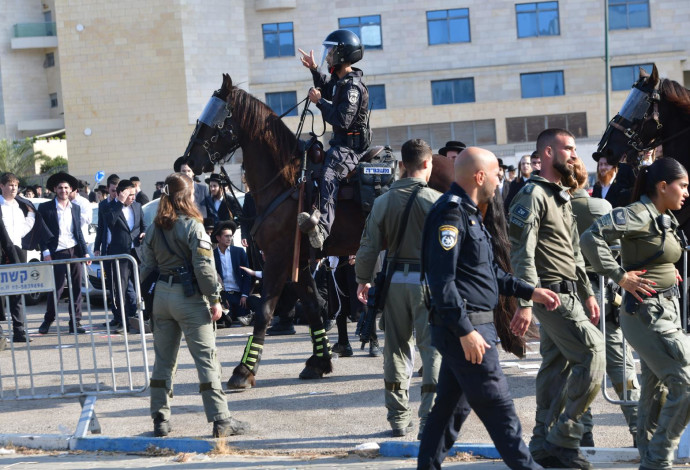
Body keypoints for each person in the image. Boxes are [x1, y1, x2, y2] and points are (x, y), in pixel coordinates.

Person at [418, 146, 560, 470]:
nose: (500, 180)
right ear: (479, 176)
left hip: (471, 326)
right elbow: (442, 280)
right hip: (468, 328)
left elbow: (486, 271)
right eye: (496, 173)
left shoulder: (469, 211)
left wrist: (530, 291)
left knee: (449, 411)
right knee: (500, 408)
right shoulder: (451, 213)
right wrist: (466, 331)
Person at [581, 158, 690, 470]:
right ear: (662, 186)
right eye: (682, 186)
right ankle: (658, 457)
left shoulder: (662, 215)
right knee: (685, 382)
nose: (686, 192)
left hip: (665, 306)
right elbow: (591, 238)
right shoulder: (637, 214)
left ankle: (649, 454)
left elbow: (653, 252)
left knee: (656, 390)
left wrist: (668, 271)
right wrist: (620, 276)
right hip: (647, 313)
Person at [508, 128, 605, 469]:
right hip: (549, 295)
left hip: (570, 293)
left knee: (555, 368)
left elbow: (574, 252)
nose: (574, 155)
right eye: (568, 148)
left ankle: (542, 444)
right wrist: (523, 301)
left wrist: (588, 293)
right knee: (594, 352)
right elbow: (521, 252)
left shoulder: (560, 194)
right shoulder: (532, 195)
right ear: (547, 153)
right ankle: (564, 437)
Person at [139, 173, 248, 438]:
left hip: (162, 297)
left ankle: (160, 419)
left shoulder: (153, 227)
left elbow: (146, 268)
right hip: (188, 298)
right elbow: (204, 269)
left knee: (163, 362)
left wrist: (150, 302)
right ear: (186, 196)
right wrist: (215, 299)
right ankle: (221, 420)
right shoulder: (193, 226)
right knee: (206, 360)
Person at [355, 138, 442, 438]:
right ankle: (429, 418)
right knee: (432, 351)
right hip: (428, 285)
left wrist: (363, 279)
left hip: (393, 284)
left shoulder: (382, 202)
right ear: (428, 163)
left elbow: (368, 246)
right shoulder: (436, 201)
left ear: (402, 165)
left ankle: (398, 419)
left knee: (395, 351)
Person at [568, 160, 639, 447]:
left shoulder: (556, 209)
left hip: (571, 294)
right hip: (605, 292)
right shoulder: (600, 207)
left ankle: (583, 432)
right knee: (620, 364)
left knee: (579, 365)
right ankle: (638, 428)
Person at [297, 29, 370, 249]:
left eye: (330, 52)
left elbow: (342, 121)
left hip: (351, 148)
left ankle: (323, 230)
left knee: (329, 175)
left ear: (341, 54)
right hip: (341, 144)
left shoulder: (352, 87)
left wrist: (319, 102)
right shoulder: (341, 82)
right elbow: (326, 89)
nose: (327, 55)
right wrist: (313, 69)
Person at [37, 172, 91, 335]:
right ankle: (48, 319)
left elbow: (78, 232)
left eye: (66, 188)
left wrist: (85, 252)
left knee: (76, 288)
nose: (63, 190)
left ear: (71, 189)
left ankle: (75, 321)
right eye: (60, 188)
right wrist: (45, 251)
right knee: (57, 288)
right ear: (55, 189)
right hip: (56, 252)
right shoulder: (45, 207)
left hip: (74, 250)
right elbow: (41, 232)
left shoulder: (76, 207)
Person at [104, 179, 146, 332]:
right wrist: (120, 202)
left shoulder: (137, 206)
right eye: (129, 195)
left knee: (141, 288)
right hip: (119, 254)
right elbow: (110, 222)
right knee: (120, 290)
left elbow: (143, 225)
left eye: (134, 194)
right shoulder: (109, 207)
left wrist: (144, 233)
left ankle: (142, 319)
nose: (133, 198)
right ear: (122, 194)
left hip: (136, 253)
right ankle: (123, 322)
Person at [0, 172, 35, 342]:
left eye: (15, 185)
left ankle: (19, 330)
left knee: (18, 292)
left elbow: (21, 231)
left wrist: (31, 216)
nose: (13, 188)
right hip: (1, 253)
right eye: (10, 185)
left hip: (17, 250)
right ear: (2, 186)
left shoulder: (19, 207)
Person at [213, 220, 253, 327]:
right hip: (224, 296)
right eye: (226, 236)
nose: (229, 238)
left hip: (239, 296)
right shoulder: (212, 255)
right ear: (218, 238)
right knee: (226, 320)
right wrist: (219, 298)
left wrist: (244, 294)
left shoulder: (239, 252)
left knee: (252, 306)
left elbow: (247, 275)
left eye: (231, 236)